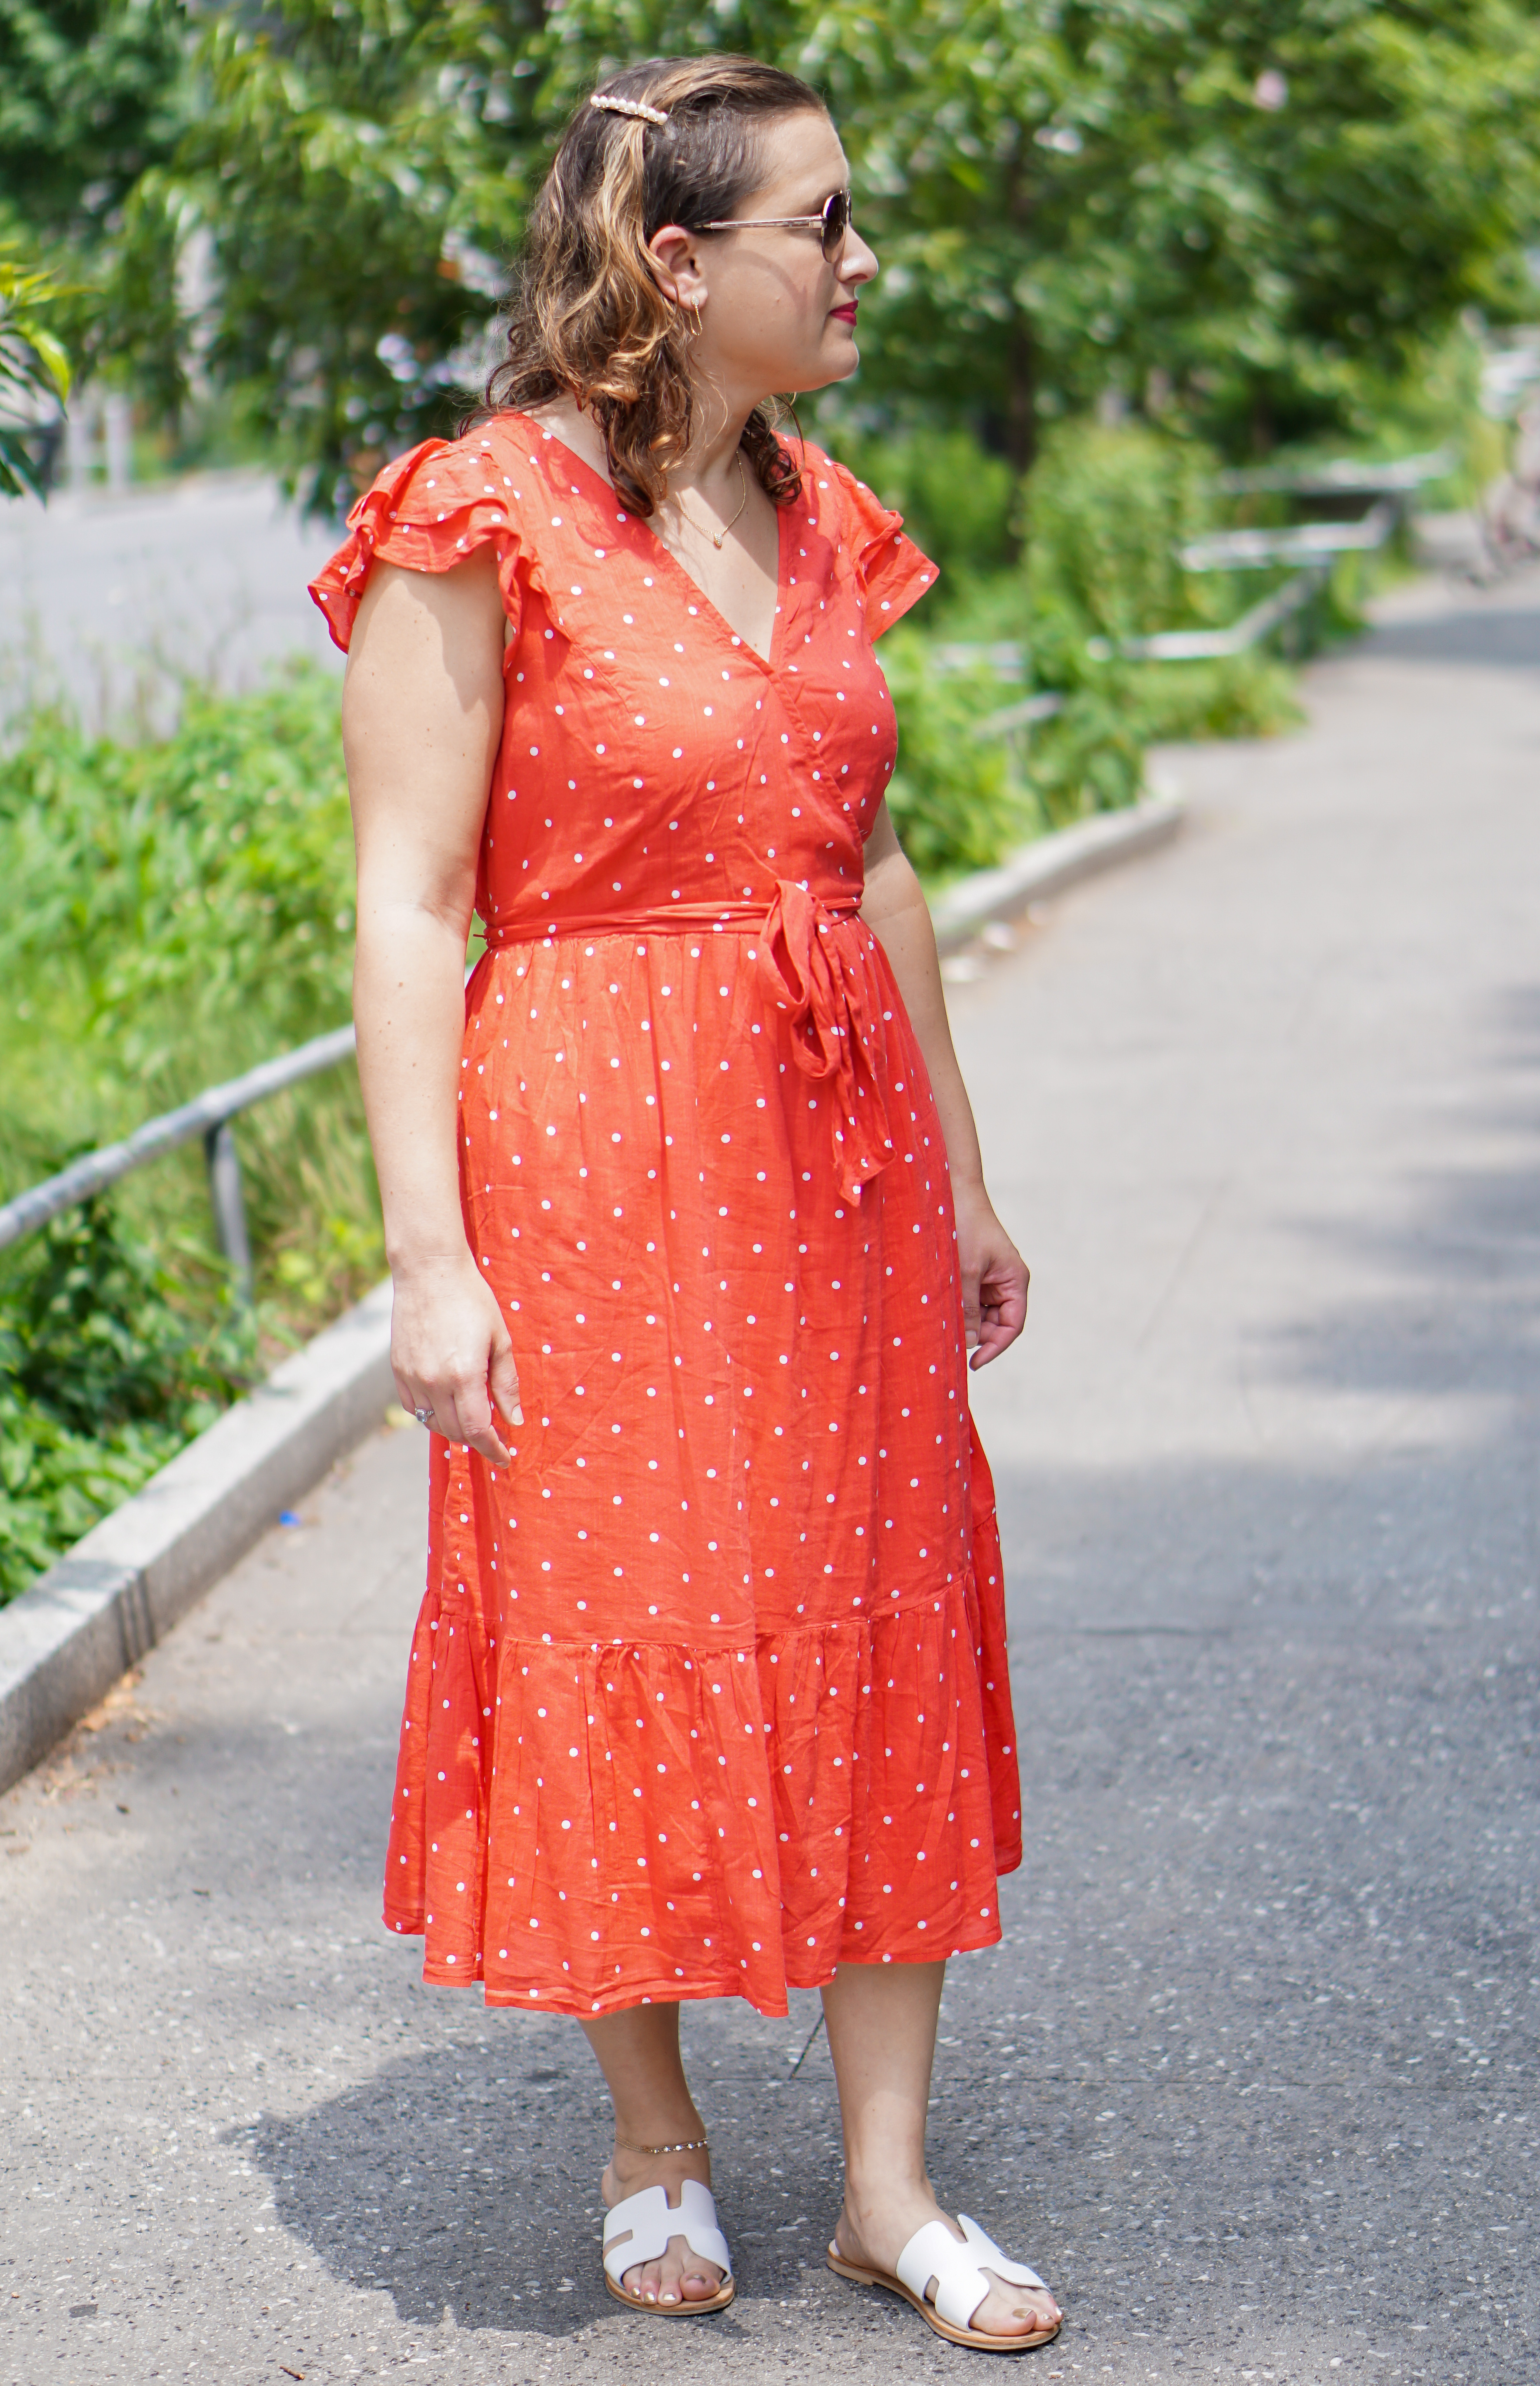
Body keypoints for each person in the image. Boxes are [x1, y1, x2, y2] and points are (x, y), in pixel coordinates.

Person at [310, 51, 1059, 2353]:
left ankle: (883, 2188)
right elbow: (411, 901)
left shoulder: (825, 510)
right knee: (613, 1618)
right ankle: (650, 2148)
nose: (858, 262)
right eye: (816, 227)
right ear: (673, 263)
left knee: (877, 1610)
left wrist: (963, 1173)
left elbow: (877, 852)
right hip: (593, 1159)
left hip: (832, 1172)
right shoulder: (483, 508)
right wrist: (429, 1261)